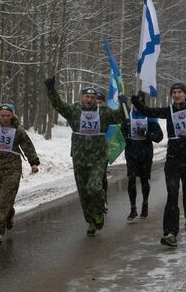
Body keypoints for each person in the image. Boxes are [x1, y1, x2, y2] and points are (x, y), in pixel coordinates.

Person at [45, 75, 127, 237]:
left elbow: (122, 116)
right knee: (83, 192)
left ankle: (99, 212)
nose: (89, 99)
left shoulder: (103, 113)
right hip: (79, 157)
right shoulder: (74, 110)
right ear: (81, 97)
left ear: (96, 99)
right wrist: (51, 89)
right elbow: (58, 105)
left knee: (94, 187)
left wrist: (125, 103)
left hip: (98, 157)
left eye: (92, 97)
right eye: (86, 96)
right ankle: (91, 222)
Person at [131, 82, 186, 247]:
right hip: (173, 158)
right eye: (174, 92)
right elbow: (150, 111)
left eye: (179, 92)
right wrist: (138, 104)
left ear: (185, 94)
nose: (176, 95)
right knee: (172, 194)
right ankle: (170, 233)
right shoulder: (169, 110)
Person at [0, 103, 40, 244]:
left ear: (12, 115)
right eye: (2, 115)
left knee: (3, 201)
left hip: (12, 170)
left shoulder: (18, 131)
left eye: (8, 115)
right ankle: (9, 215)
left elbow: (28, 146)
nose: (5, 118)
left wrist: (33, 163)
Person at [120, 91, 163, 221]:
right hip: (132, 153)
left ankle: (145, 203)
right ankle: (133, 209)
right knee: (131, 179)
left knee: (144, 180)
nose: (136, 106)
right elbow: (121, 135)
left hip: (145, 153)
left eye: (139, 104)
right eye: (134, 104)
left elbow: (159, 137)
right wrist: (126, 136)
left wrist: (147, 134)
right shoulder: (127, 117)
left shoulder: (150, 119)